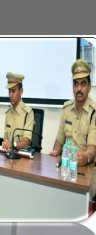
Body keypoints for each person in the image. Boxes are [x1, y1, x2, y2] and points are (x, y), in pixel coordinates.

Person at [49, 59, 96, 187]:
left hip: (85, 173)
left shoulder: (94, 112)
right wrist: (55, 152)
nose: (79, 89)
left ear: (89, 87)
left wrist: (86, 157)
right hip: (65, 170)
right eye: (76, 84)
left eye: (83, 84)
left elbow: (92, 151)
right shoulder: (67, 109)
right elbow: (58, 143)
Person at [2, 73, 35, 151]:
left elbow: (27, 142)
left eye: (13, 91)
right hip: (9, 153)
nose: (10, 95)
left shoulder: (28, 113)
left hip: (21, 154)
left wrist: (13, 145)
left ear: (21, 91)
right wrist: (5, 144)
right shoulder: (8, 112)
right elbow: (6, 139)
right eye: (9, 91)